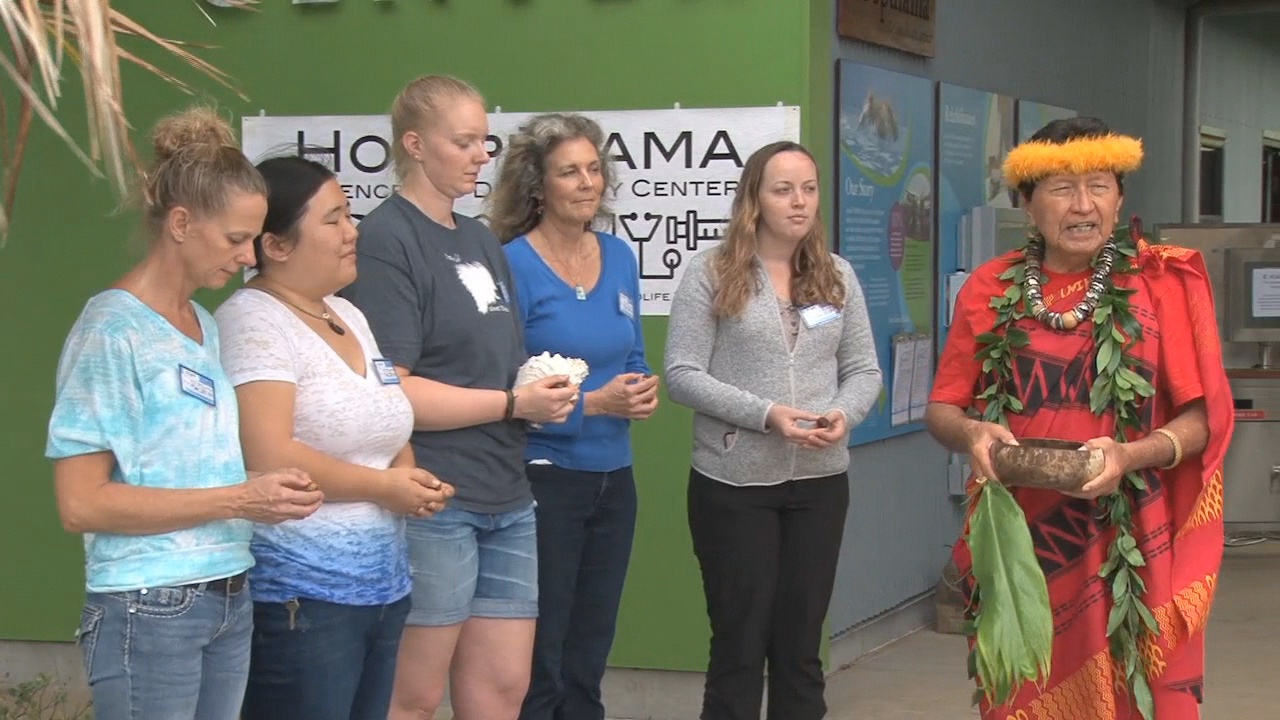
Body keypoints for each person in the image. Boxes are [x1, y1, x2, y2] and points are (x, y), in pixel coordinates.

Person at [925, 117, 1234, 719]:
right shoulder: (989, 288)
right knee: (1023, 698)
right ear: (1026, 201)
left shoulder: (1158, 285)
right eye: (1062, 188)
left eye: (1099, 185)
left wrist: (1130, 455)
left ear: (1120, 199)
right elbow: (944, 407)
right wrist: (970, 433)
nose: (1083, 205)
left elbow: (1201, 422)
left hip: (1133, 545)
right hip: (1022, 546)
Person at [45, 107, 324, 720]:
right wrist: (237, 500)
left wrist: (254, 491)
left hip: (228, 589)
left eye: (254, 238)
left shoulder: (202, 323)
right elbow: (81, 503)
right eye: (234, 239)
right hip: (148, 602)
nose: (249, 255)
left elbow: (179, 471)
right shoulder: (113, 332)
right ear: (179, 223)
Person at [338, 75, 579, 720]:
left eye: (484, 140)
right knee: (412, 695)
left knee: (503, 688)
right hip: (436, 500)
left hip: (508, 493)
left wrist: (539, 390)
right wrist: (510, 405)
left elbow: (497, 365)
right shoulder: (389, 238)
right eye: (464, 141)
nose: (481, 155)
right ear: (414, 144)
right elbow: (395, 390)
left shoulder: (476, 238)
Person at [214, 155, 455, 720]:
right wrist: (382, 487)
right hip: (303, 597)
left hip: (383, 587)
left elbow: (388, 414)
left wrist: (409, 478)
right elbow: (269, 453)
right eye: (334, 219)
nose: (353, 232)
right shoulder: (253, 320)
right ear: (275, 245)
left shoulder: (349, 314)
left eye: (350, 215)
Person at [664, 140, 882, 720]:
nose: (799, 201)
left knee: (800, 650)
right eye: (783, 189)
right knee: (739, 647)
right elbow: (682, 375)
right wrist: (768, 414)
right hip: (734, 486)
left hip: (819, 484)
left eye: (809, 188)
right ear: (754, 199)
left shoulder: (837, 276)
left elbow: (863, 369)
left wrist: (843, 414)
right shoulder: (712, 273)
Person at [487, 113, 659, 720]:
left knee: (591, 649)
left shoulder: (618, 256)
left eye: (594, 169)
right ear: (538, 186)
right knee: (544, 653)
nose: (587, 183)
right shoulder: (510, 263)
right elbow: (503, 387)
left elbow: (632, 352)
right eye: (569, 172)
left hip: (616, 477)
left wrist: (638, 391)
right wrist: (593, 405)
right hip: (545, 477)